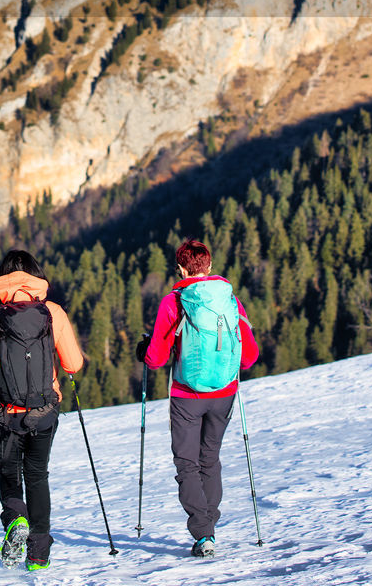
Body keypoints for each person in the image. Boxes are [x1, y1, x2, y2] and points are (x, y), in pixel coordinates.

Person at [0, 249, 84, 572]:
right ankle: (40, 554)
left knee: (8, 475)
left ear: (2, 277)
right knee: (37, 475)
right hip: (44, 412)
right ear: (36, 275)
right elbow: (74, 363)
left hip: (4, 413)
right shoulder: (52, 312)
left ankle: (16, 519)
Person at [136, 238, 259, 559]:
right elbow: (249, 357)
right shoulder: (229, 299)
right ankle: (209, 528)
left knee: (186, 464)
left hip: (187, 395)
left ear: (180, 268)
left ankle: (204, 533)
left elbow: (157, 359)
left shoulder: (174, 301)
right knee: (210, 459)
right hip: (225, 394)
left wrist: (144, 350)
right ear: (210, 265)